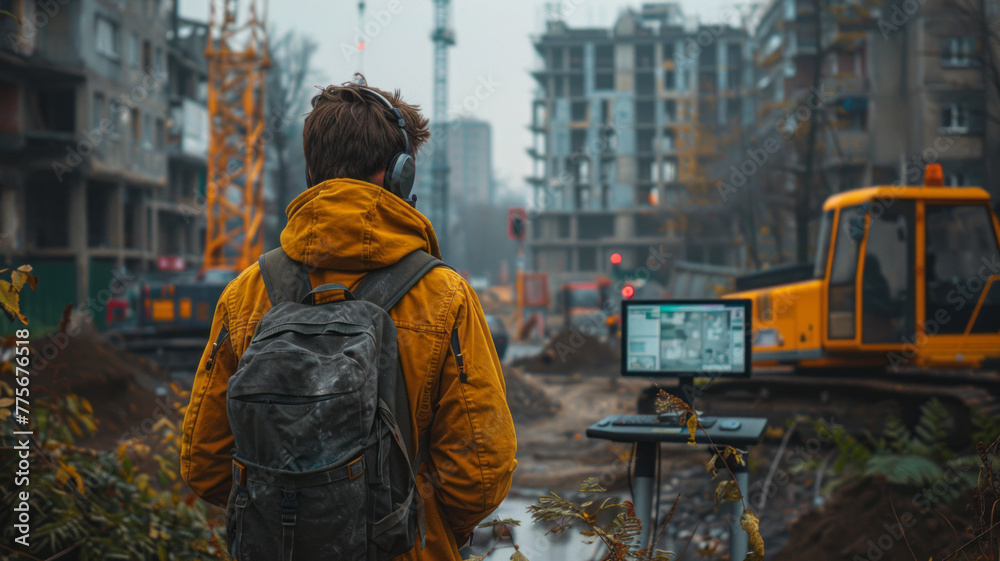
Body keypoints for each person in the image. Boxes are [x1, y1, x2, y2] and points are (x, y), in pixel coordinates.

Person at [180, 76, 517, 560]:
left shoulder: (246, 293)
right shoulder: (446, 296)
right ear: (400, 175)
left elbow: (203, 464)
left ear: (313, 174)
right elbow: (480, 477)